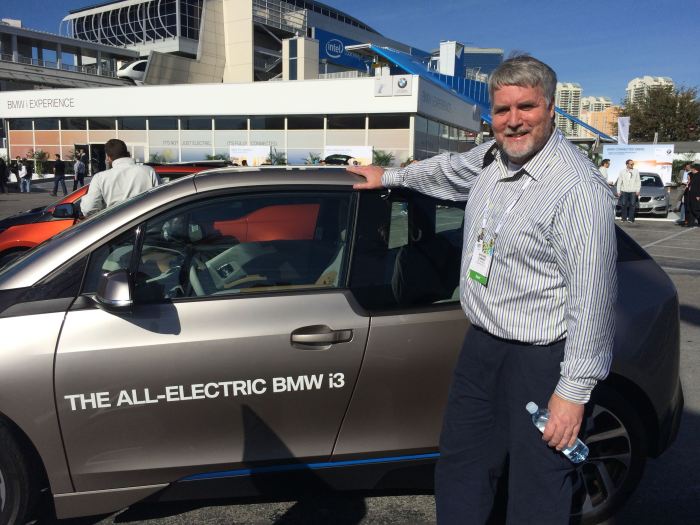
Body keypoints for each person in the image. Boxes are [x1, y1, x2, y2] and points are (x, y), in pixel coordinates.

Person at [349, 55, 617, 524]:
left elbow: (592, 300)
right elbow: (450, 170)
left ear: (551, 108)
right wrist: (388, 176)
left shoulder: (577, 189)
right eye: (502, 110)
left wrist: (572, 393)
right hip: (483, 348)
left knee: (540, 483)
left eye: (526, 107)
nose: (513, 121)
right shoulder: (493, 158)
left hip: (542, 359)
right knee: (463, 466)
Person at [80, 139, 162, 217]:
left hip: (115, 227)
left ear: (108, 157)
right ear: (128, 153)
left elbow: (88, 209)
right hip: (148, 226)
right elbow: (160, 200)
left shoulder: (100, 178)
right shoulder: (149, 171)